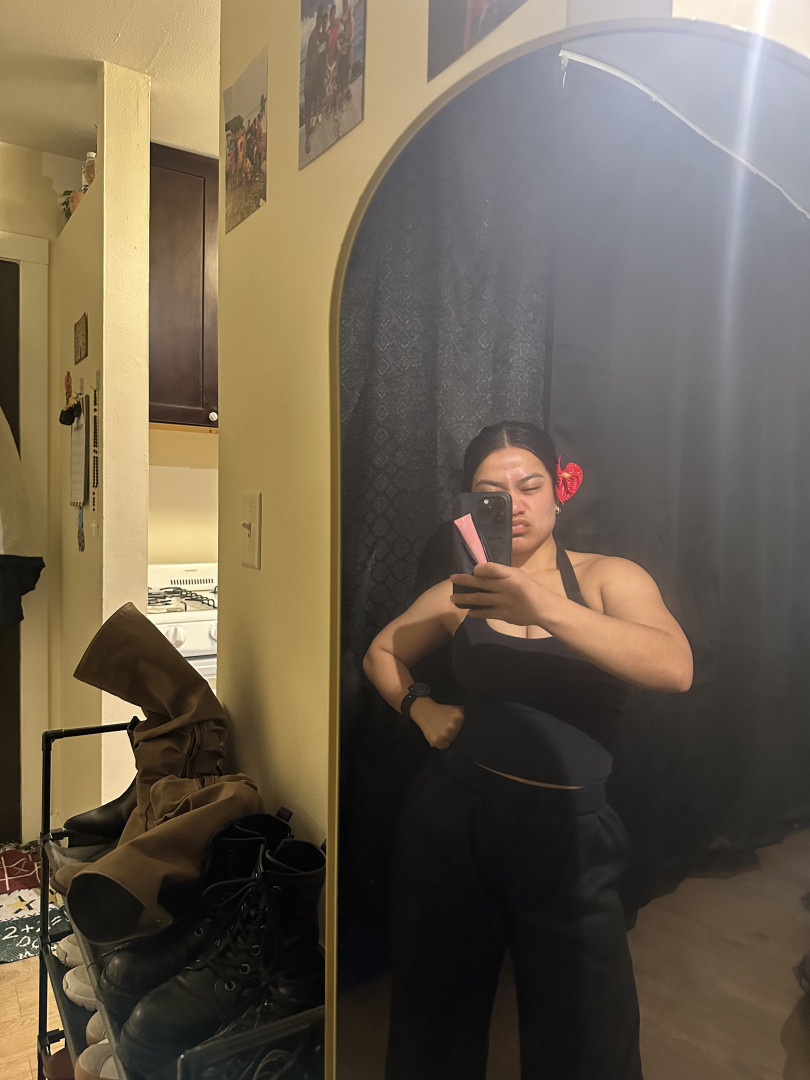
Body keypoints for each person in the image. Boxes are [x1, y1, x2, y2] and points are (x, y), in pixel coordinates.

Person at [363, 421, 693, 1080]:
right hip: (453, 824)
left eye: (529, 485)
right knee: (434, 1021)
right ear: (469, 507)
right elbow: (382, 651)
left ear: (559, 495)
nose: (512, 504)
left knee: (589, 1040)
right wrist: (420, 708)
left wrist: (539, 603)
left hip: (571, 839)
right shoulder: (460, 592)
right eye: (490, 493)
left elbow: (674, 667)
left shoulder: (609, 578)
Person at [337, 0, 354, 109]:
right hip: (342, 50)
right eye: (343, 3)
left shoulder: (350, 16)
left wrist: (349, 49)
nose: (345, 5)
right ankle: (345, 94)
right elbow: (339, 34)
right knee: (343, 75)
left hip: (348, 49)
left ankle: (347, 90)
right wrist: (339, 45)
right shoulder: (341, 18)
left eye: (346, 3)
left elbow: (352, 33)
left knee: (348, 71)